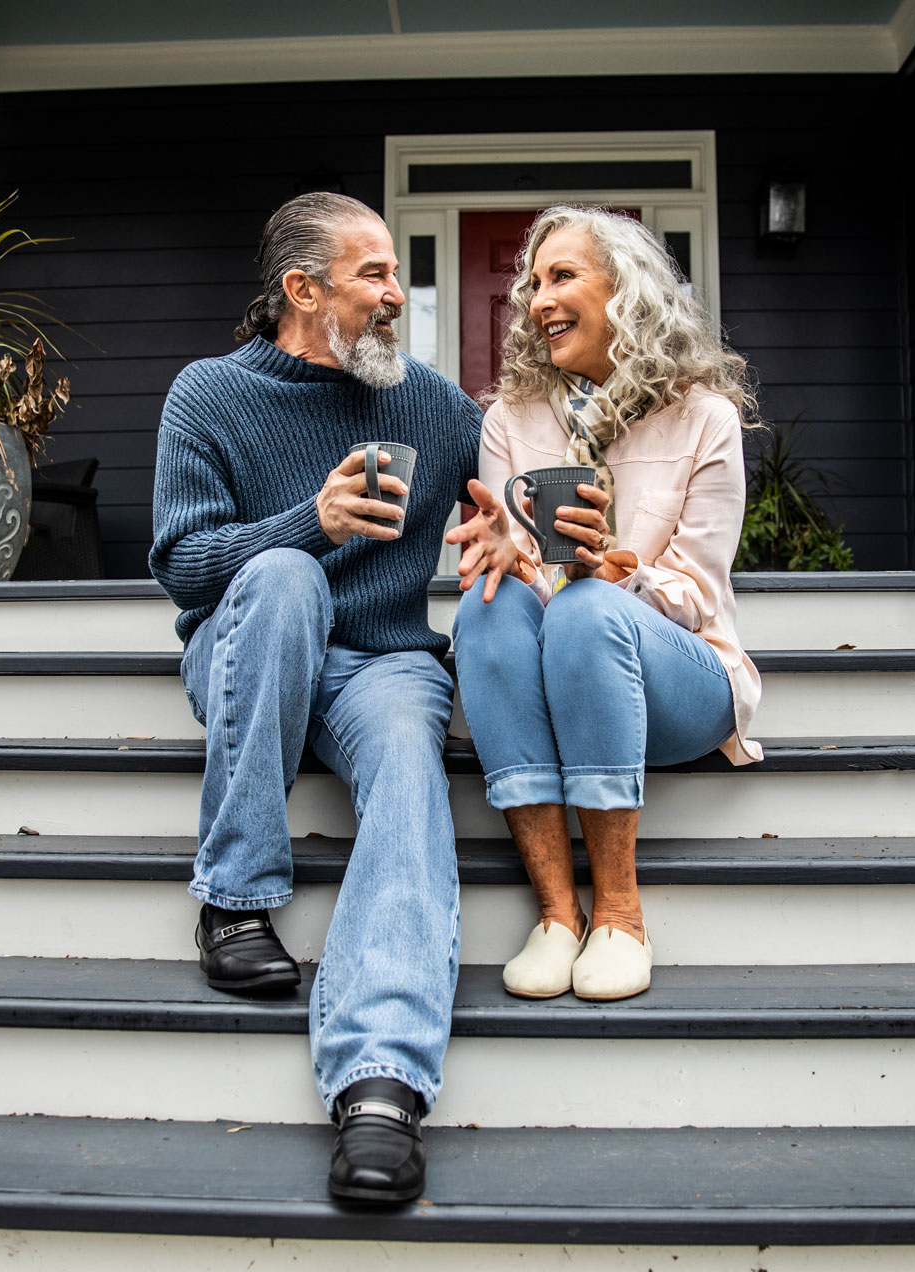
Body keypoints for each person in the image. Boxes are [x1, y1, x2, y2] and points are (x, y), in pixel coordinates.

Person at [149, 192, 482, 1202]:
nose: (396, 295)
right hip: (249, 642)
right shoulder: (207, 395)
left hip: (379, 661)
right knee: (289, 578)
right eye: (374, 274)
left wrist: (513, 529)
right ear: (302, 289)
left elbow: (510, 482)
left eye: (394, 275)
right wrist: (312, 521)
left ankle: (378, 1082)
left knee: (407, 759)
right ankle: (235, 897)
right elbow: (182, 565)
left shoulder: (430, 405)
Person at [445, 205, 763, 1003]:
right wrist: (511, 557)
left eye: (561, 277)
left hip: (681, 680)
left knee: (588, 608)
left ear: (626, 291)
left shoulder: (705, 418)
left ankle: (620, 912)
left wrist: (614, 570)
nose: (537, 300)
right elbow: (519, 592)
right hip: (563, 670)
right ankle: (558, 914)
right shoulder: (510, 420)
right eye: (531, 284)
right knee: (485, 608)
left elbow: (696, 593)